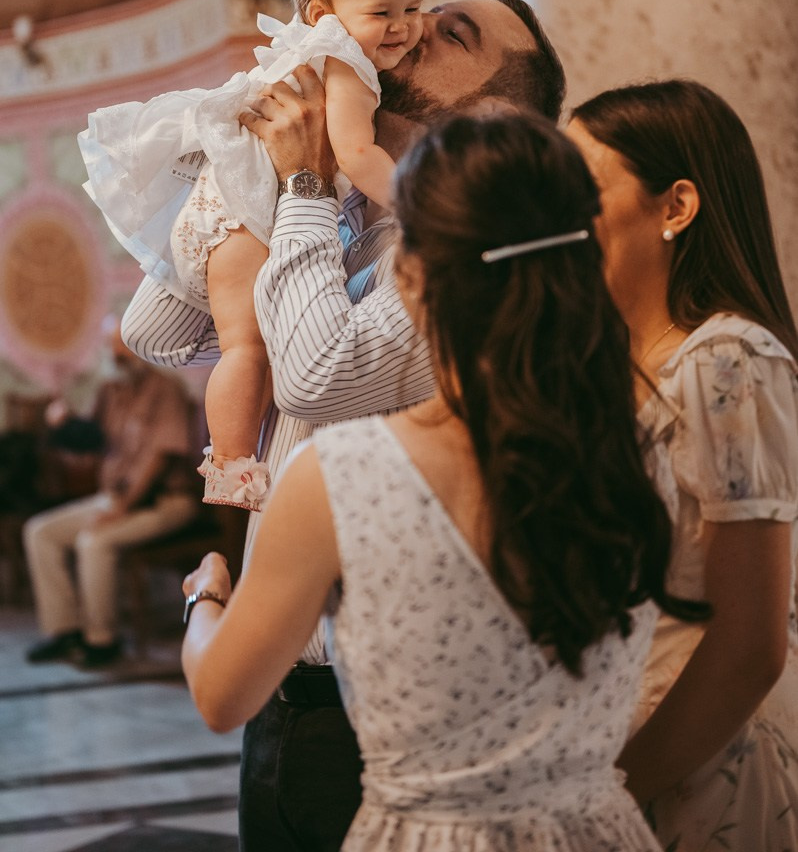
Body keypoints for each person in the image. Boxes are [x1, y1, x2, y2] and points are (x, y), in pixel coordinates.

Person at [182, 108, 706, 849]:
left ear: (415, 279)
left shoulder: (341, 476)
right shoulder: (634, 447)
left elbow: (220, 695)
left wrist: (209, 593)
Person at [122, 0, 567, 849]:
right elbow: (158, 331)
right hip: (283, 703)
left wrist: (302, 183)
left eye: (448, 33)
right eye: (407, 10)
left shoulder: (458, 262)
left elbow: (317, 373)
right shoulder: (349, 214)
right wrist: (238, 169)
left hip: (369, 717)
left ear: (495, 111)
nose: (404, 30)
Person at [80, 0, 428, 509]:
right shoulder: (346, 64)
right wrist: (418, 200)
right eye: (382, 13)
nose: (402, 28)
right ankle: (234, 469)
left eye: (412, 10)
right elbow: (355, 150)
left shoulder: (318, 47)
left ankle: (241, 460)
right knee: (246, 347)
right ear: (326, 15)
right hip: (243, 216)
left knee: (254, 347)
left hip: (222, 211)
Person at [568, 79, 798, 851]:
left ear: (676, 207)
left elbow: (751, 643)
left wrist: (619, 789)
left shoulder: (724, 360)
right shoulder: (609, 363)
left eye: (584, 189)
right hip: (601, 748)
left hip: (693, 764)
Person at [23, 318, 198, 669]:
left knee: (94, 541)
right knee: (40, 532)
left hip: (165, 501)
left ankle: (102, 640)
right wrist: (63, 423)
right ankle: (65, 631)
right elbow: (91, 439)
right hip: (116, 498)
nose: (116, 353)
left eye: (123, 344)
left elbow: (161, 458)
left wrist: (124, 506)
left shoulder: (166, 389)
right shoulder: (110, 391)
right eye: (111, 345)